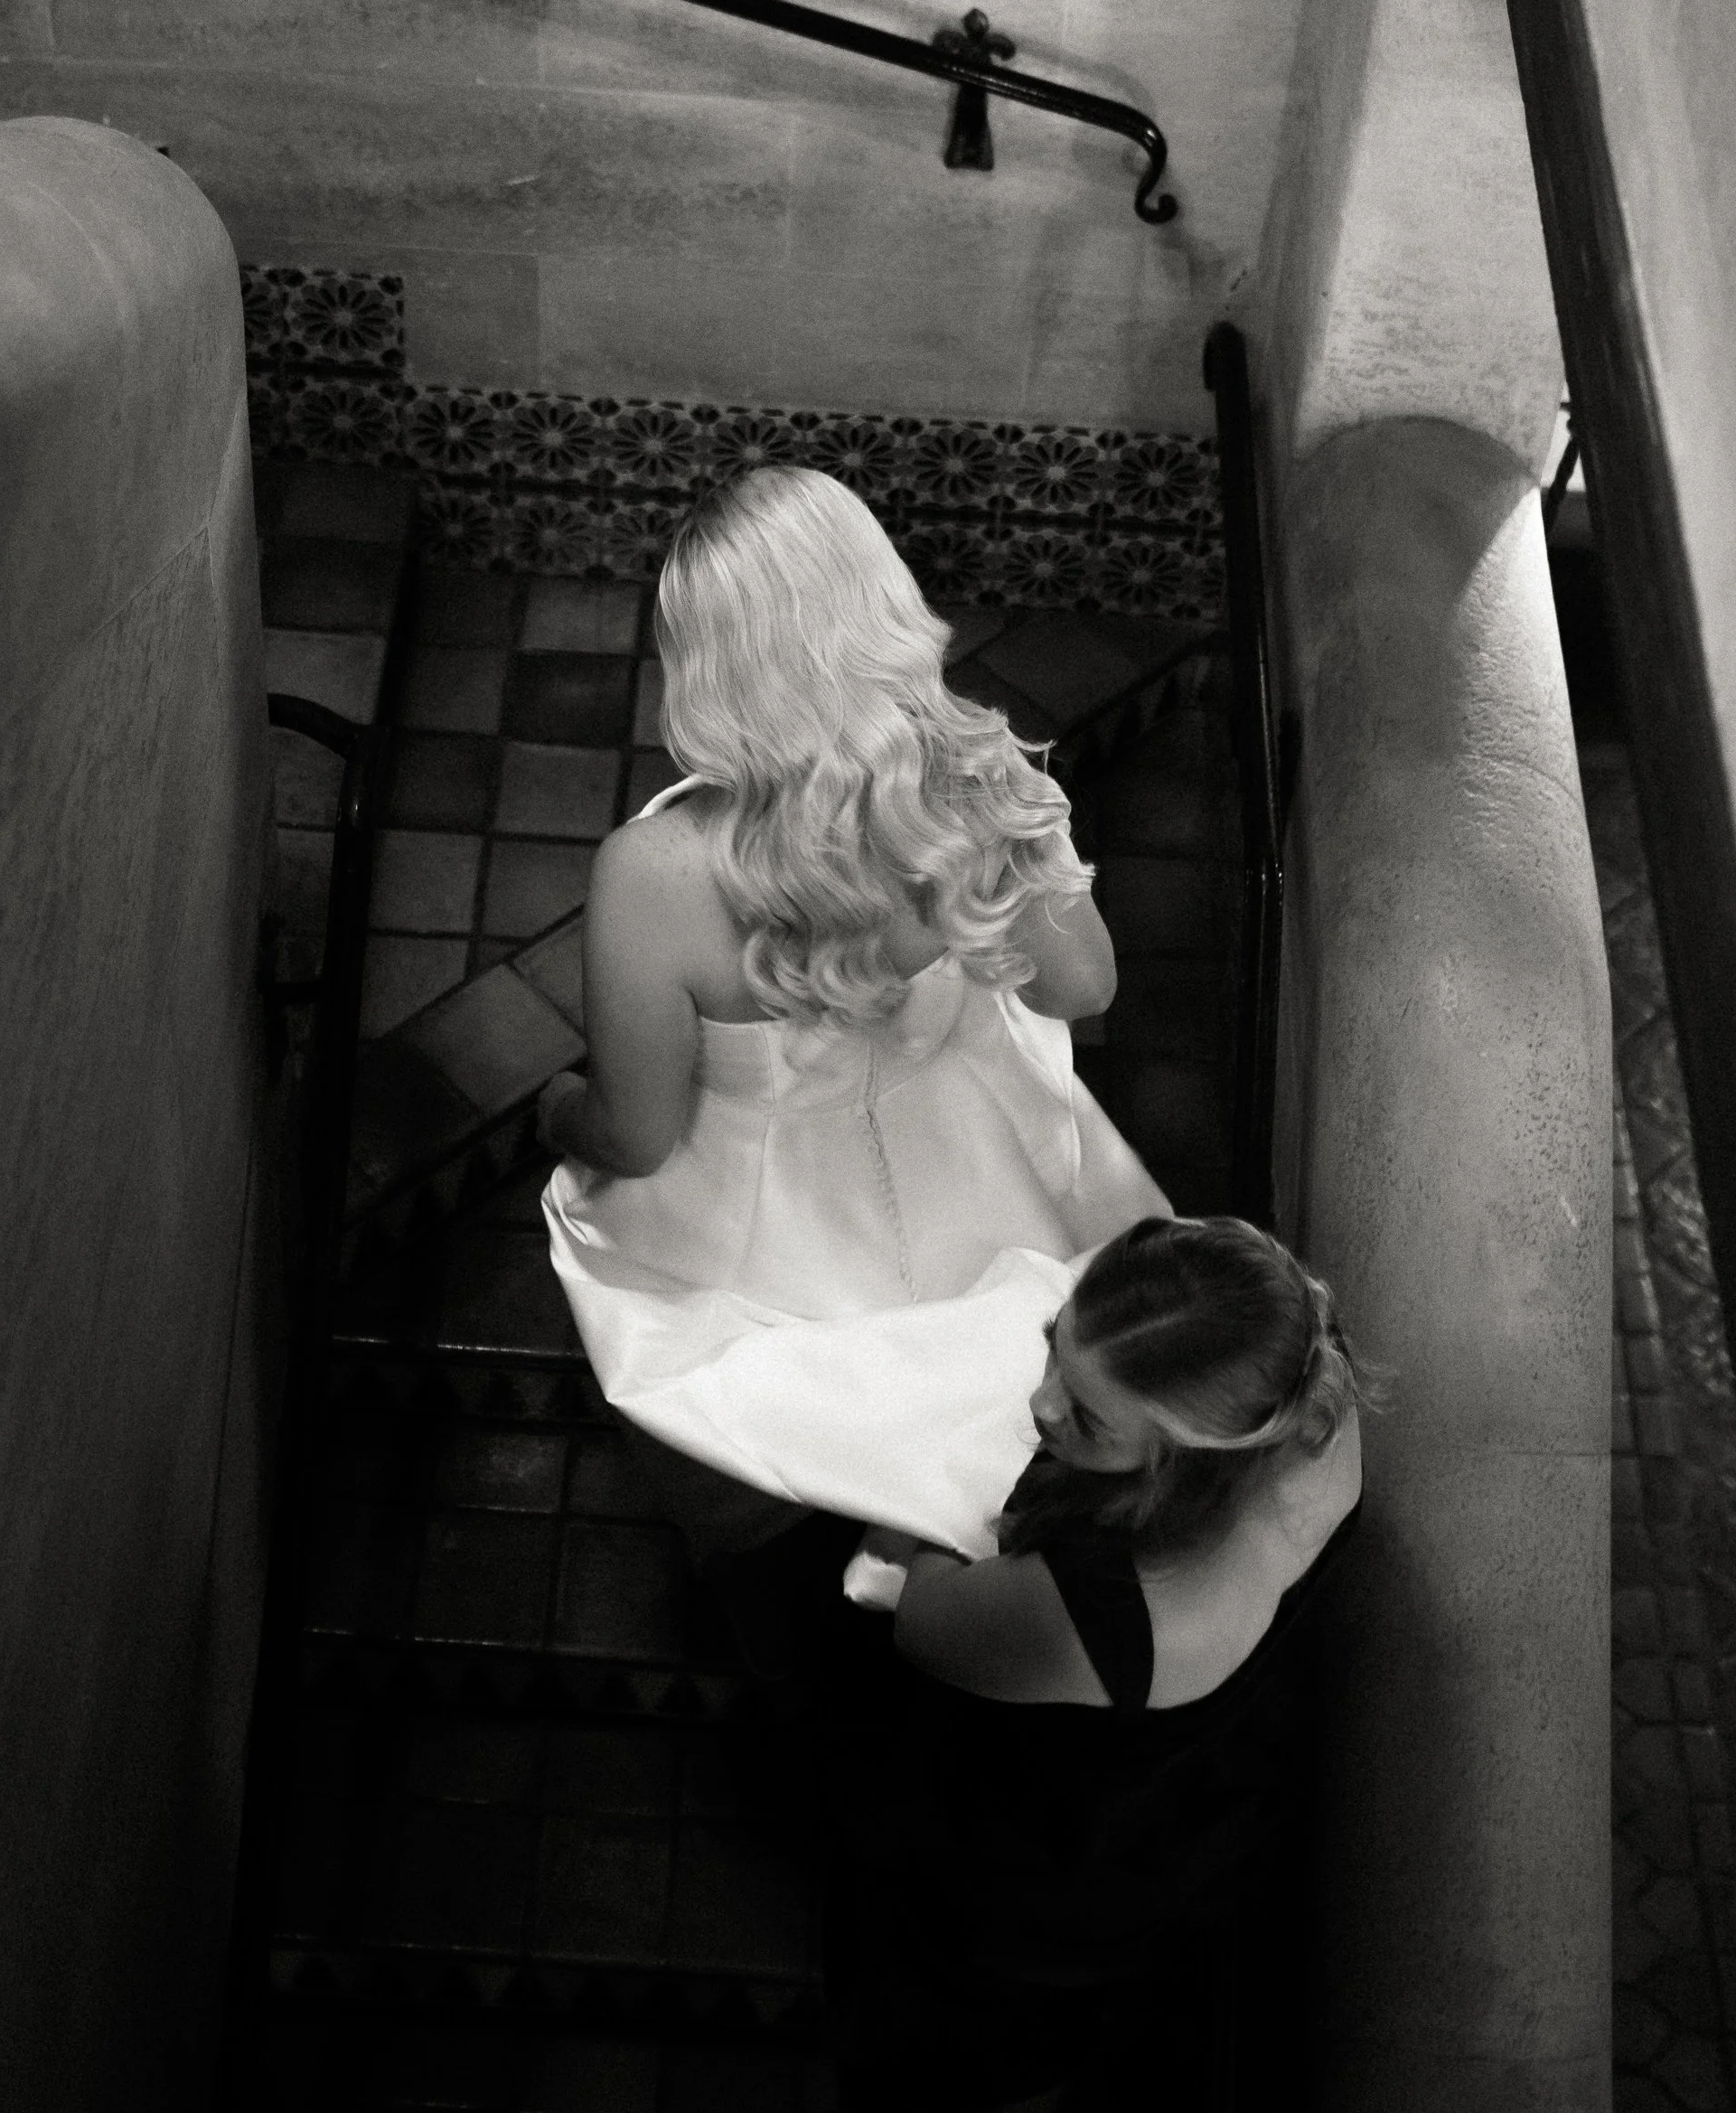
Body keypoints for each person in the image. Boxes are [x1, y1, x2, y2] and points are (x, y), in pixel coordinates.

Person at [537, 465, 1169, 1556]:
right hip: (978, 1176)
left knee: (767, 1425)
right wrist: (1009, 830)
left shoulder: (650, 873)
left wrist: (557, 1116)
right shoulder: (972, 785)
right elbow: (1085, 989)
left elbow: (636, 1140)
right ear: (879, 599)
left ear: (700, 665)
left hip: (768, 1237)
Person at [828, 1215, 1374, 2113]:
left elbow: (914, 1611)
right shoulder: (1311, 1386)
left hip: (1026, 1887)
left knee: (966, 2051)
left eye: (1085, 1415)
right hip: (1197, 1811)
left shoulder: (1084, 1615)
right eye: (1055, 1348)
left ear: (1183, 1471)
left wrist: (898, 1497)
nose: (1039, 1405)